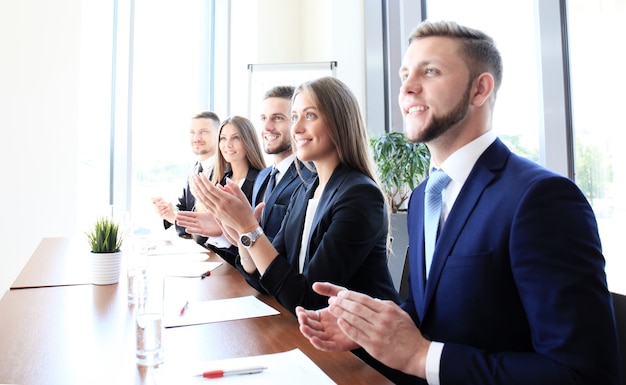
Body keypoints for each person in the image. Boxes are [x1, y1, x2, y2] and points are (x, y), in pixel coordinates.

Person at [295, 20, 621, 385]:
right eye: (404, 74)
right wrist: (369, 327)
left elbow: (585, 373)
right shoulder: (422, 198)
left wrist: (423, 357)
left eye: (429, 71)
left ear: (479, 89)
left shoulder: (541, 199)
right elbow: (431, 313)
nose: (407, 88)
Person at [187, 76, 401, 314]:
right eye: (295, 116)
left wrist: (249, 228)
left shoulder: (360, 195)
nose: (296, 129)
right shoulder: (305, 190)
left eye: (309, 116)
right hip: (312, 331)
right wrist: (243, 240)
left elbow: (310, 300)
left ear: (340, 122)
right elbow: (266, 279)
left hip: (356, 344)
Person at [185, 115, 266, 266]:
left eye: (235, 138)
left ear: (248, 141)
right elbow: (199, 237)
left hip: (241, 267)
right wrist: (202, 202)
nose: (227, 144)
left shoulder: (262, 182)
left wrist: (223, 231)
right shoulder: (219, 181)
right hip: (216, 264)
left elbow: (260, 242)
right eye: (223, 138)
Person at [151, 111, 220, 244]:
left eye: (203, 132)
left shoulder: (226, 170)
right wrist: (168, 211)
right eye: (192, 132)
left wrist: (174, 218)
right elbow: (184, 207)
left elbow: (209, 224)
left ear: (218, 136)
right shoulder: (195, 168)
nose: (196, 138)